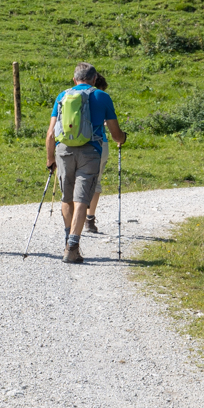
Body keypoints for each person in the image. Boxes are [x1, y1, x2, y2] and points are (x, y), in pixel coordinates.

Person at [46, 62, 126, 263]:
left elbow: (50, 133)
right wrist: (123, 138)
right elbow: (116, 134)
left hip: (63, 150)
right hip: (91, 151)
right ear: (94, 79)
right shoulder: (102, 96)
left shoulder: (62, 96)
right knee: (82, 198)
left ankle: (68, 240)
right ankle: (73, 245)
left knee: (67, 196)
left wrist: (50, 159)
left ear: (74, 79)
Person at [84, 72, 110, 234]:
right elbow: (109, 122)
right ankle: (89, 220)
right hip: (99, 142)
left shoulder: (72, 96)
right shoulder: (101, 97)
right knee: (96, 181)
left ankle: (74, 220)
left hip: (75, 142)